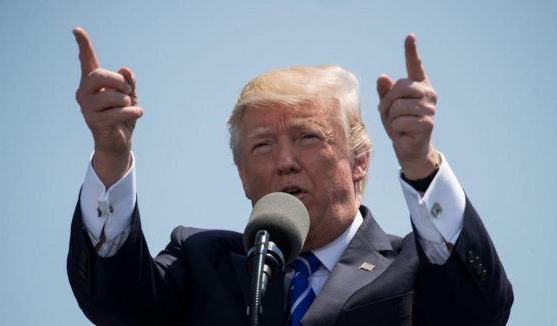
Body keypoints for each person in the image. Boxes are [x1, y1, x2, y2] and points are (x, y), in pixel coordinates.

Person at [67, 27, 513, 325]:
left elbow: (480, 311)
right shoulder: (202, 259)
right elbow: (117, 306)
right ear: (243, 177)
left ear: (359, 161)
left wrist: (420, 162)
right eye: (262, 145)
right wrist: (111, 153)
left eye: (308, 138)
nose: (285, 161)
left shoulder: (416, 266)